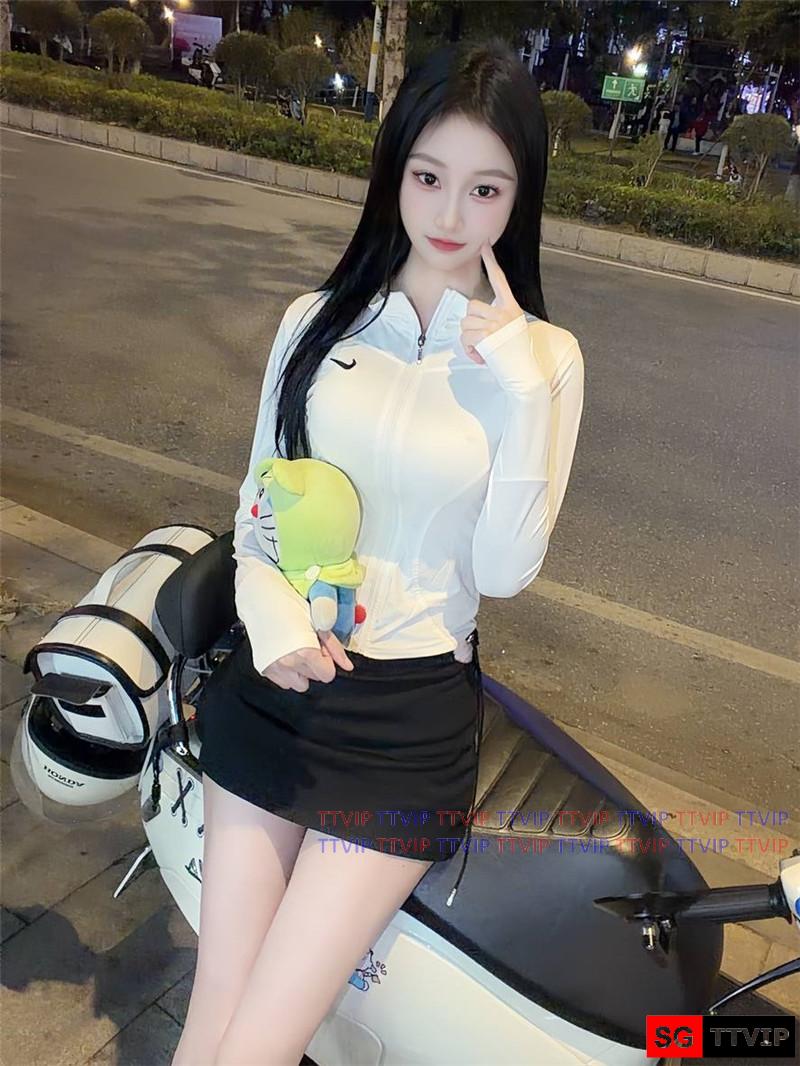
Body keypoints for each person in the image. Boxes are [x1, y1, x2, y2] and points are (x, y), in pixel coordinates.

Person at [172, 38, 584, 1066]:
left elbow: (503, 573)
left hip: (405, 725)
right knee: (210, 1022)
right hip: (275, 688)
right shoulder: (315, 323)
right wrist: (271, 622)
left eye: (485, 189)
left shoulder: (544, 361)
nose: (450, 215)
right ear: (394, 168)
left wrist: (522, 392)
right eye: (428, 177)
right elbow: (259, 512)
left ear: (519, 198)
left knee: (256, 1046)